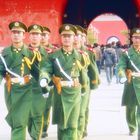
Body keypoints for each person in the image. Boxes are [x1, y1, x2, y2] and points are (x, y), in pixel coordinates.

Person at [39, 24, 87, 140]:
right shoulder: (53, 56)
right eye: (64, 36)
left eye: (69, 36)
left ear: (74, 37)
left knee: (72, 125)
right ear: (61, 37)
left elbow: (83, 74)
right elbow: (46, 69)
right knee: (62, 125)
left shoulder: (80, 56)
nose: (66, 38)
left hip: (74, 93)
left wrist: (84, 88)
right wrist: (44, 78)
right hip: (60, 93)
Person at [0, 21, 32, 140]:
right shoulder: (5, 52)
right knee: (14, 119)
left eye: (19, 32)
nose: (16, 35)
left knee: (19, 121)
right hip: (10, 89)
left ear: (24, 35)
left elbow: (38, 70)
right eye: (14, 32)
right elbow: (1, 70)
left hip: (25, 89)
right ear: (11, 34)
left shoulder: (30, 52)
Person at [74, 25, 100, 139]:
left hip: (85, 84)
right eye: (73, 35)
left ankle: (81, 131)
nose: (75, 38)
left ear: (81, 37)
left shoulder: (88, 52)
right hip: (71, 85)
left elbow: (93, 69)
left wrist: (93, 83)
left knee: (83, 109)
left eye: (77, 35)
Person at [117, 28, 140, 137]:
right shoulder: (126, 53)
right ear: (131, 38)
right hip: (131, 84)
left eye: (139, 38)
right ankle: (132, 127)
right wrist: (122, 75)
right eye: (135, 37)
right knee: (130, 108)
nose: (137, 40)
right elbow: (121, 66)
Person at [27, 24, 47, 140]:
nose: (35, 37)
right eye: (33, 34)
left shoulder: (47, 53)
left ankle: (36, 137)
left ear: (41, 37)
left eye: (37, 34)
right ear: (29, 36)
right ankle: (32, 133)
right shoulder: (23, 51)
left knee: (38, 114)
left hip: (40, 87)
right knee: (29, 115)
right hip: (26, 87)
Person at [41, 26, 54, 138]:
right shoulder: (31, 49)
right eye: (41, 34)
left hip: (48, 83)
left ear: (49, 36)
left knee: (46, 107)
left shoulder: (54, 51)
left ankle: (44, 128)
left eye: (45, 35)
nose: (43, 37)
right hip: (34, 83)